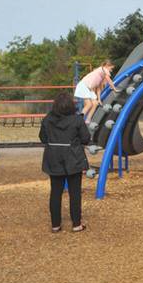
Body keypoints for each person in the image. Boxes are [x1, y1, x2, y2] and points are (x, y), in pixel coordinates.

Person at [39, 93, 90, 232]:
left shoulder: (47, 119)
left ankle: (55, 225)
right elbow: (86, 138)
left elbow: (43, 138)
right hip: (73, 158)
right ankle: (76, 224)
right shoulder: (77, 120)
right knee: (75, 192)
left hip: (53, 158)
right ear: (71, 105)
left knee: (55, 192)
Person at [74, 60, 116, 126]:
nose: (111, 70)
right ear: (107, 66)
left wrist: (99, 99)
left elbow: (98, 89)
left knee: (95, 103)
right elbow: (109, 80)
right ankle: (78, 120)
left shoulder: (100, 77)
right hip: (84, 86)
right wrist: (114, 88)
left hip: (89, 89)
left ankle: (88, 120)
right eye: (111, 68)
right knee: (89, 104)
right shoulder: (103, 70)